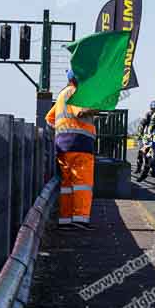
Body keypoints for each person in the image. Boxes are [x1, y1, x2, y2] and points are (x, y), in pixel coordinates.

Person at [45, 70, 99, 231]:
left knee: (67, 184)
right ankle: (80, 219)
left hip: (62, 145)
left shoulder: (62, 95)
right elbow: (80, 112)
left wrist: (63, 130)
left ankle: (65, 220)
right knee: (83, 183)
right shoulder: (77, 92)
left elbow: (49, 118)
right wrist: (97, 108)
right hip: (80, 144)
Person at [135, 100, 155, 174]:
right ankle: (139, 167)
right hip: (148, 136)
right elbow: (142, 124)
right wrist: (140, 134)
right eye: (153, 109)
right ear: (151, 109)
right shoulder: (148, 114)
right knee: (141, 151)